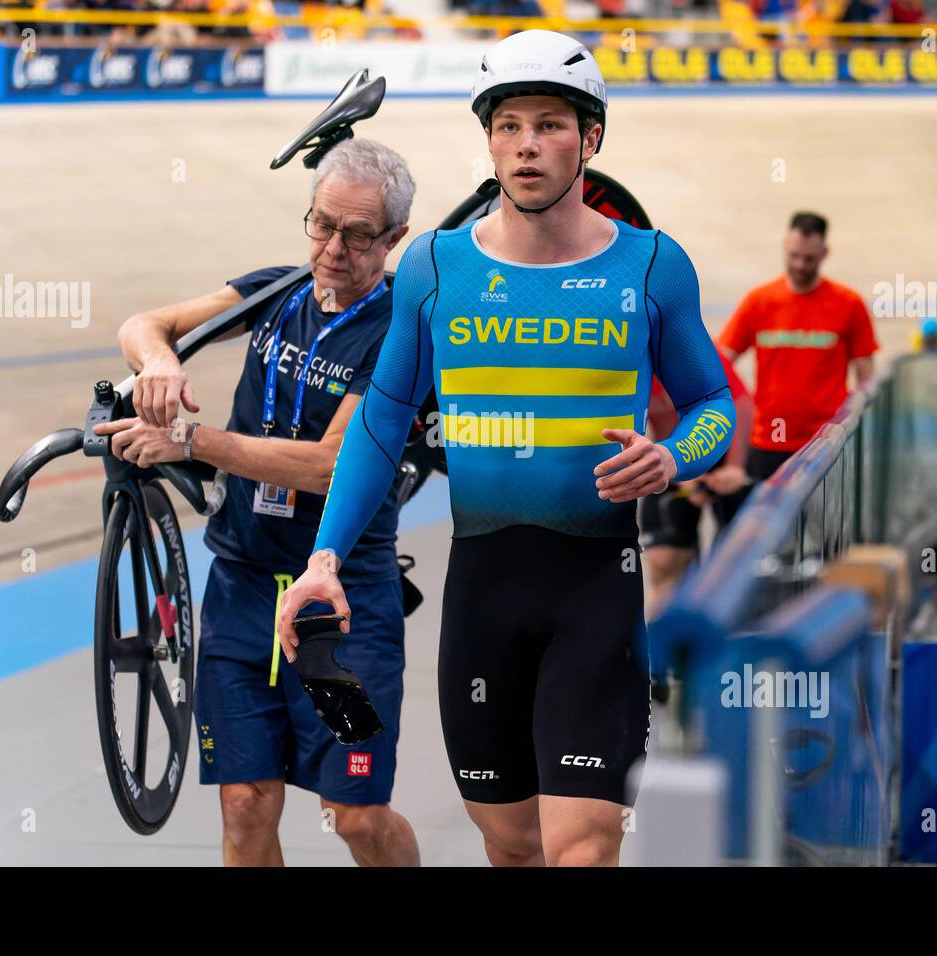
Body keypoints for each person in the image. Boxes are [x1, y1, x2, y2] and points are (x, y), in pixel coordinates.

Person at [276, 29, 735, 867]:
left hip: (597, 590)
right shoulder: (435, 268)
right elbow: (383, 423)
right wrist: (326, 558)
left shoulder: (652, 266)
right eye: (510, 124)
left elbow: (714, 403)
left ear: (590, 138)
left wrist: (674, 458)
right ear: (489, 140)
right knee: (515, 846)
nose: (528, 144)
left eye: (551, 124)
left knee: (583, 847)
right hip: (484, 594)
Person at [93, 139, 421, 867]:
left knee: (358, 817)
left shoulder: (400, 332)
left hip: (337, 607)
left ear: (394, 238)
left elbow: (334, 465)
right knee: (245, 805)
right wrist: (161, 361)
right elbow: (143, 325)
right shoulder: (278, 289)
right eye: (321, 223)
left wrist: (193, 440)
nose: (333, 248)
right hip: (243, 593)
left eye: (358, 234)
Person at [718, 211, 878, 487]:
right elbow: (720, 361)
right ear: (785, 247)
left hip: (825, 444)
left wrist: (857, 425)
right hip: (768, 440)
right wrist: (740, 406)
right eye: (793, 256)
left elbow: (866, 377)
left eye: (809, 259)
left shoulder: (848, 303)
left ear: (825, 252)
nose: (800, 264)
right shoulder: (759, 301)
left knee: (825, 528)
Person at [639, 357, 755, 619]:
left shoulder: (688, 348)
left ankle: (722, 629)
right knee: (662, 564)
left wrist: (735, 467)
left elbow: (743, 404)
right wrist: (679, 473)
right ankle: (662, 650)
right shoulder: (630, 360)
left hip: (722, 459)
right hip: (673, 462)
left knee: (731, 564)